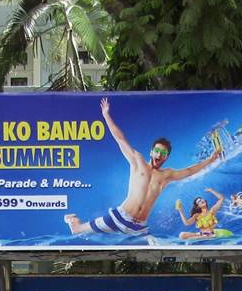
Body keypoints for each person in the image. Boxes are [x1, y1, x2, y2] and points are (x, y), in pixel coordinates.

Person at [65, 98, 221, 237]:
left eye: (163, 153)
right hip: (118, 218)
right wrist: (106, 115)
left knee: (152, 248)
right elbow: (120, 139)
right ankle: (73, 221)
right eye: (157, 151)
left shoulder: (166, 175)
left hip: (139, 227)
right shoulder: (138, 161)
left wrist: (211, 159)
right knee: (79, 230)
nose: (159, 155)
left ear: (166, 157)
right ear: (151, 152)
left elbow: (189, 171)